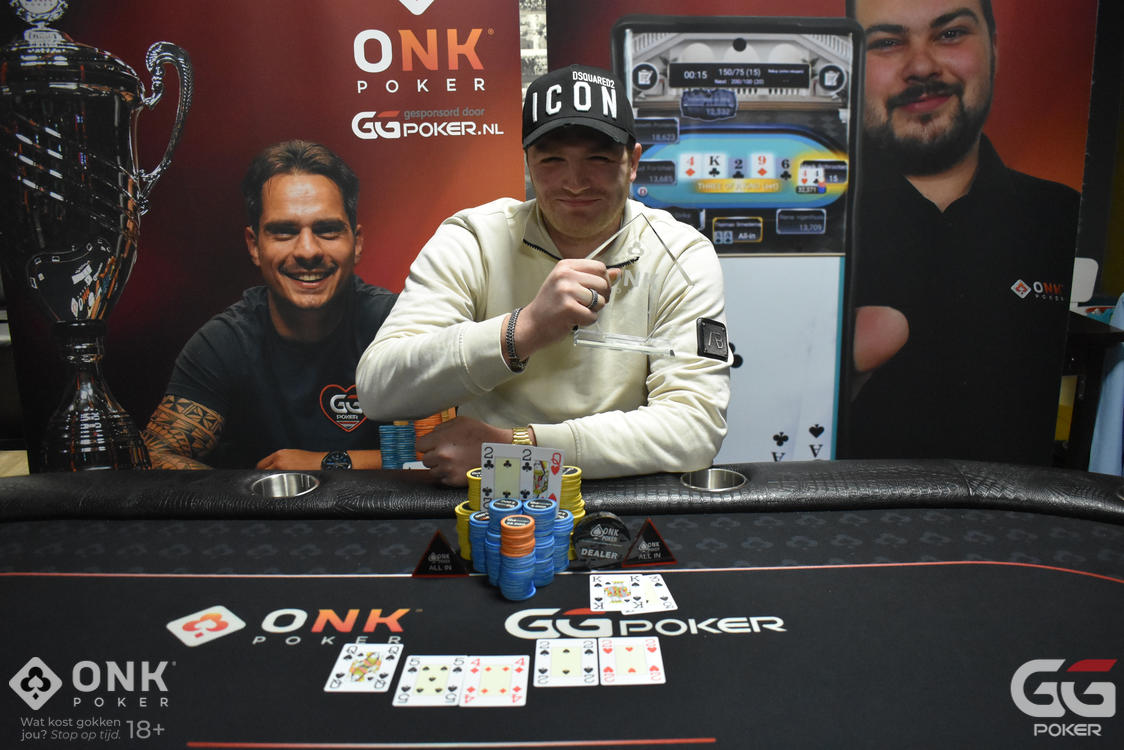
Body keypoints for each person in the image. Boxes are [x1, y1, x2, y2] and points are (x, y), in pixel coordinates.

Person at [356, 65, 731, 485]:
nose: (575, 182)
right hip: (495, 499)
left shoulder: (680, 253)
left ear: (633, 163)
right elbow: (378, 391)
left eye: (599, 158)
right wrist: (523, 329)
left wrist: (518, 450)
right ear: (529, 164)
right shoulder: (474, 239)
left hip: (623, 492)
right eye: (552, 159)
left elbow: (695, 428)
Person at [843, 0, 1080, 465]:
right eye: (887, 43)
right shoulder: (803, 230)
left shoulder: (1066, 219)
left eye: (950, 34)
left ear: (994, 47)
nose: (921, 66)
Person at [142, 140, 396, 470]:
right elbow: (156, 457)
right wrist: (261, 490)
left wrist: (325, 464)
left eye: (327, 230)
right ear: (254, 246)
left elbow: (450, 452)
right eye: (284, 232)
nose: (307, 251)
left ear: (357, 243)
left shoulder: (399, 325)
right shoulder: (224, 343)